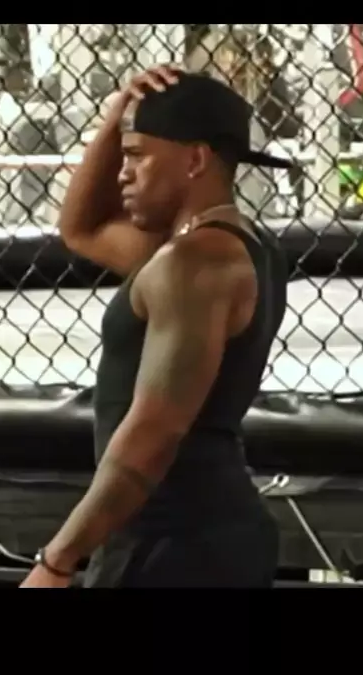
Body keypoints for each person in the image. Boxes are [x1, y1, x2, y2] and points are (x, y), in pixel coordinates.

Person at [20, 65, 290, 588]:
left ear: (195, 160)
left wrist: (56, 561)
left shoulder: (193, 264)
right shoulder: (237, 247)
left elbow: (154, 432)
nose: (122, 173)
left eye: (137, 155)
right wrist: (116, 116)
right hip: (196, 533)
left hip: (172, 541)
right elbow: (83, 229)